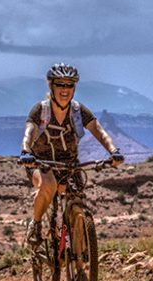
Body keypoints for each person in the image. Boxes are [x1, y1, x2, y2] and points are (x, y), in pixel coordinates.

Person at [18, 62, 124, 247]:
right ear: (51, 86)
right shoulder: (41, 110)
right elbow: (29, 132)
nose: (65, 89)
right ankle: (36, 224)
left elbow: (99, 131)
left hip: (69, 164)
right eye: (60, 84)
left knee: (75, 197)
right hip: (40, 162)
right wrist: (26, 151)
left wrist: (114, 151)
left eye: (70, 85)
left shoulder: (78, 111)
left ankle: (74, 251)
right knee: (49, 185)